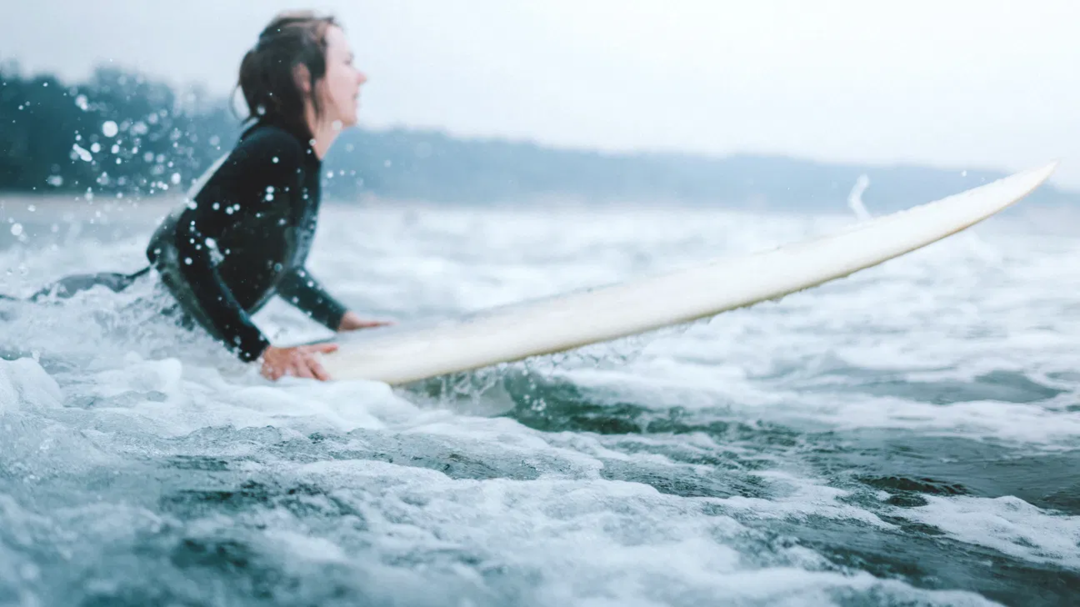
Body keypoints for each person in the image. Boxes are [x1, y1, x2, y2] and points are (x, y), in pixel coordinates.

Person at [26, 11, 389, 381]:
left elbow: (277, 267)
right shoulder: (276, 148)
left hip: (126, 333)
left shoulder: (298, 157)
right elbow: (175, 243)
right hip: (100, 321)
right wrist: (260, 351)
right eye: (347, 62)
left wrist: (340, 319)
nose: (361, 76)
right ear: (303, 76)